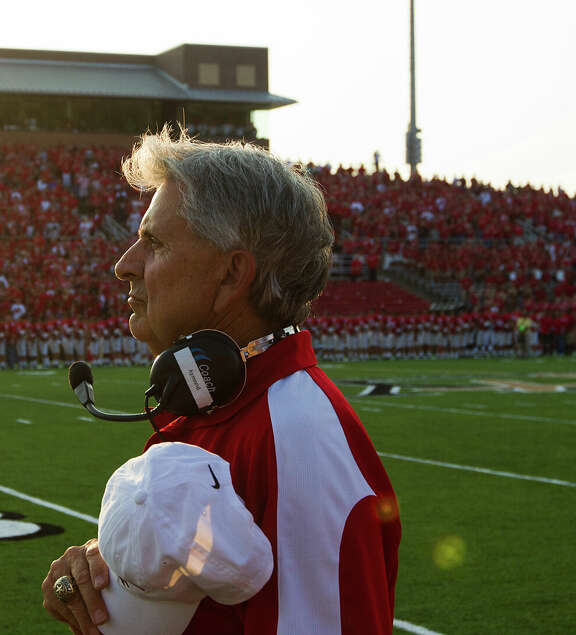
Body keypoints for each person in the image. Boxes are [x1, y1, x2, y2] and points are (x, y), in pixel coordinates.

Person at [41, 128, 401, 634]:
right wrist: (100, 572)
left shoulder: (295, 437)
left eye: (154, 242)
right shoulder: (214, 402)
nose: (124, 265)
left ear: (232, 275)